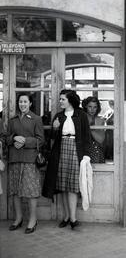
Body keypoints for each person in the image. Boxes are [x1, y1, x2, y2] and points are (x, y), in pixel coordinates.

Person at [42, 89, 91, 229]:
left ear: (70, 100)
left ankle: (74, 219)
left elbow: (87, 136)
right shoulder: (58, 115)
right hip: (60, 150)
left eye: (63, 99)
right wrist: (55, 128)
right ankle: (67, 217)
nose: (60, 101)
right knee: (63, 186)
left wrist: (86, 155)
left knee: (73, 187)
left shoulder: (81, 115)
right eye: (60, 99)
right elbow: (50, 138)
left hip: (76, 150)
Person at [6, 93, 44, 234]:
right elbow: (6, 138)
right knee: (15, 191)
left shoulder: (36, 119)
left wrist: (25, 141)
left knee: (30, 192)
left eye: (25, 102)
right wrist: (14, 138)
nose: (22, 104)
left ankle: (33, 220)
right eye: (20, 102)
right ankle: (18, 218)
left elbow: (41, 140)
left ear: (30, 104)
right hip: (14, 158)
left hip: (30, 159)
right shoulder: (13, 120)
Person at [82, 96, 105, 163]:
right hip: (82, 150)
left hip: (96, 151)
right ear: (86, 106)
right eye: (90, 106)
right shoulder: (81, 118)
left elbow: (100, 140)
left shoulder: (100, 120)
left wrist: (90, 129)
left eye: (95, 107)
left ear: (97, 108)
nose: (92, 109)